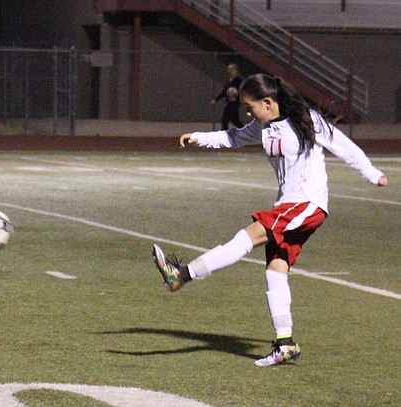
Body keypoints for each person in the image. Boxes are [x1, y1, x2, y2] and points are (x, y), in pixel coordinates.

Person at [153, 73, 387, 367]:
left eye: (251, 107)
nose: (248, 113)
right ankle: (285, 342)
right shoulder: (263, 128)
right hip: (289, 206)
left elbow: (345, 147)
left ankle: (182, 275)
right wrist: (199, 137)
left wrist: (372, 174)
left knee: (247, 237)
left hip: (307, 204)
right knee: (276, 270)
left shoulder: (307, 120)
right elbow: (233, 138)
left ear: (267, 102)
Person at [211, 63, 244, 130]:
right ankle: (244, 130)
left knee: (225, 118)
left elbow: (243, 92)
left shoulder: (239, 82)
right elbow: (224, 92)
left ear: (236, 71)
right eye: (229, 69)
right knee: (235, 119)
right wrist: (216, 100)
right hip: (229, 102)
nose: (230, 71)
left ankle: (224, 133)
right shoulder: (228, 81)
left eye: (231, 70)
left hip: (235, 103)